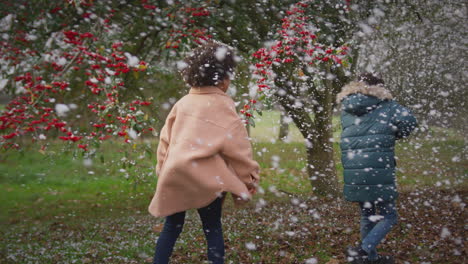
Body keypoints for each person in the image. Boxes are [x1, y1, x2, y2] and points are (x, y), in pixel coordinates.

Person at [148, 42, 260, 264]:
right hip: (209, 179)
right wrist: (249, 178)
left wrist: (163, 170)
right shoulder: (223, 105)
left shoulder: (182, 103)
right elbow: (238, 148)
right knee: (212, 228)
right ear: (221, 78)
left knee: (171, 227)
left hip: (177, 174)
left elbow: (165, 141)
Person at [336, 73, 418, 264]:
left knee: (368, 214)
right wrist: (394, 133)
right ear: (380, 87)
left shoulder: (347, 107)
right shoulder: (386, 105)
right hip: (377, 168)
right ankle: (364, 251)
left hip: (354, 169)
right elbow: (410, 123)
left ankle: (370, 259)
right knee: (389, 216)